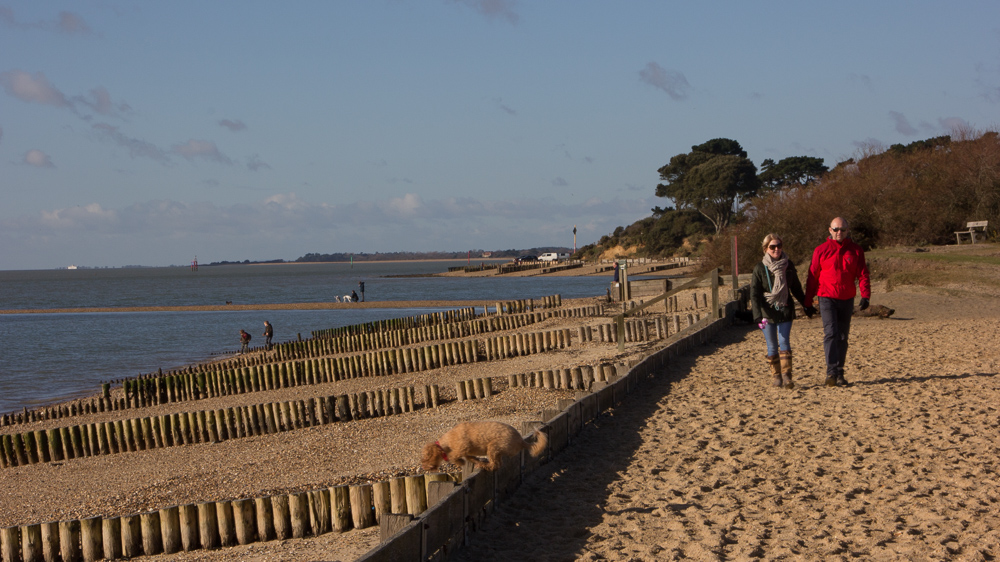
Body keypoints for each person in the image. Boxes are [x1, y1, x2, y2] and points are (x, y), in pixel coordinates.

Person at [805, 217, 871, 387]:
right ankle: (831, 372)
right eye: (836, 230)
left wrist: (865, 295)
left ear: (848, 230)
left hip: (847, 298)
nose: (839, 233)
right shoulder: (821, 250)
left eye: (842, 229)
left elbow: (863, 273)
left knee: (842, 335)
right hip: (826, 297)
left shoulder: (856, 251)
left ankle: (840, 371)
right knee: (831, 332)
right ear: (830, 230)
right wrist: (807, 302)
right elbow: (812, 276)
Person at [750, 233, 813, 389]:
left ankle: (787, 377)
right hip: (767, 312)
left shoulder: (788, 265)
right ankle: (776, 376)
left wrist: (806, 305)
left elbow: (796, 288)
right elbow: (755, 293)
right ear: (766, 249)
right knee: (772, 345)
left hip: (784, 309)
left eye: (779, 246)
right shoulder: (759, 268)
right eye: (772, 247)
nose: (776, 249)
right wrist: (757, 315)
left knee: (784, 341)